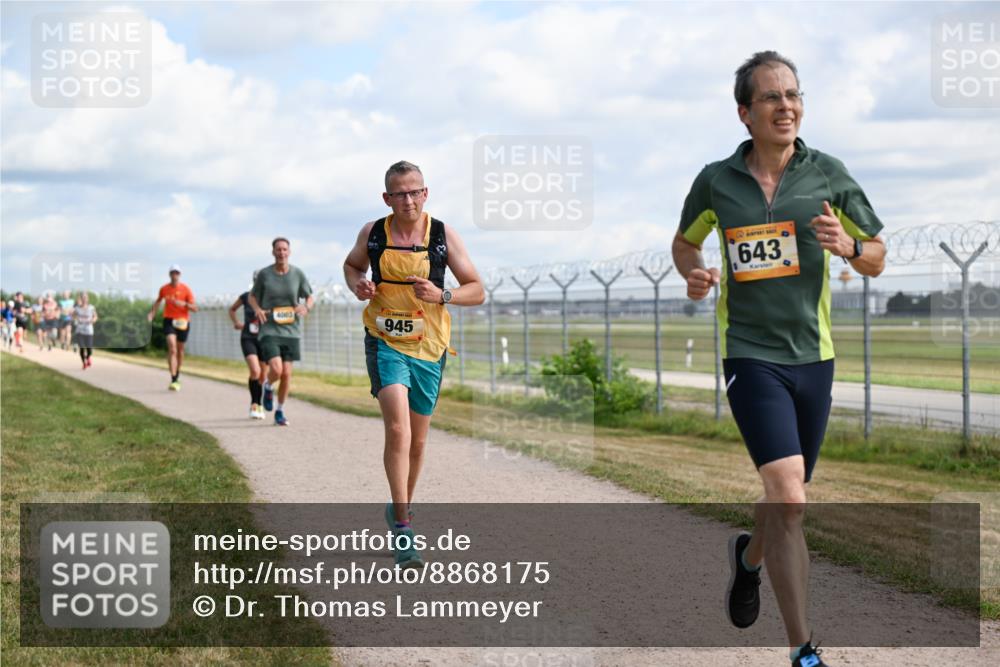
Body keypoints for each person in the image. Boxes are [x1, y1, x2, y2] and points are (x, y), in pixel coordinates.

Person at [673, 51, 885, 667]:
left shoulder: (828, 174)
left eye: (793, 94)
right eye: (770, 97)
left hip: (813, 358)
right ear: (745, 112)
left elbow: (876, 253)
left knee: (785, 497)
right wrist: (695, 274)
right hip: (749, 353)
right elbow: (684, 243)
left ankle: (748, 560)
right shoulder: (716, 180)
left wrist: (847, 245)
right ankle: (803, 650)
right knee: (789, 496)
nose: (785, 106)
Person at [343, 160, 484, 568]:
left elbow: (477, 290)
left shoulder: (442, 235)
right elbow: (352, 266)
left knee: (418, 442)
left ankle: (399, 505)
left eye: (414, 191)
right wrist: (359, 285)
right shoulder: (373, 233)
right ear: (387, 198)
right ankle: (404, 527)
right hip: (385, 340)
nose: (408, 200)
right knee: (397, 428)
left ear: (426, 193)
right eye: (399, 193)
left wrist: (442, 295)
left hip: (430, 346)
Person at [248, 238, 314, 426]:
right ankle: (268, 386)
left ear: (289, 252)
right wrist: (258, 309)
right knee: (275, 369)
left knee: (286, 374)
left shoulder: (297, 274)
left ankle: (280, 410)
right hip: (270, 329)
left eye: (285, 249)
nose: (282, 252)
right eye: (278, 249)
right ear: (273, 252)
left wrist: (306, 307)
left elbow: (309, 297)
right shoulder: (264, 275)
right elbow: (253, 297)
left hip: (291, 331)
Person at [147, 265, 197, 391]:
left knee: (180, 350)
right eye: (173, 273)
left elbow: (195, 308)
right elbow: (158, 302)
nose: (175, 275)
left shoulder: (186, 289)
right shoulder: (164, 289)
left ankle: (177, 373)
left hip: (183, 322)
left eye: (177, 273)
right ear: (170, 275)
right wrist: (151, 314)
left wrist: (184, 304)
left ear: (179, 275)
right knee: (172, 347)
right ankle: (173, 378)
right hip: (169, 320)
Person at [228, 272, 267, 419]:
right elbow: (232, 309)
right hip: (248, 338)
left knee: (263, 375)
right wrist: (237, 323)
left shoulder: (269, 298)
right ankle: (254, 404)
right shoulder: (246, 297)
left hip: (264, 339)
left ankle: (260, 404)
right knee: (255, 371)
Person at [73, 292, 97, 369]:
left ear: (88, 299)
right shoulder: (77, 308)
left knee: (89, 349)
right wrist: (76, 319)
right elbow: (73, 316)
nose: (84, 299)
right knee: (82, 348)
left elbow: (95, 316)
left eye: (86, 297)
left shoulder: (91, 307)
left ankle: (88, 358)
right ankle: (84, 363)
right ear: (81, 299)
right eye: (83, 297)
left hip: (89, 330)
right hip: (79, 330)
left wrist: (92, 320)